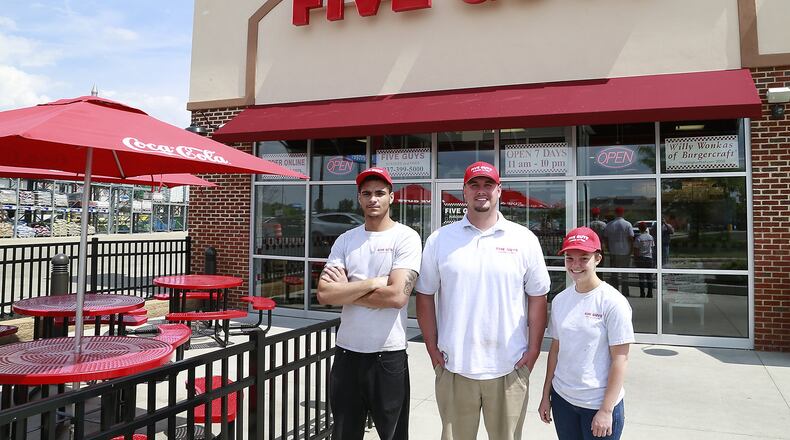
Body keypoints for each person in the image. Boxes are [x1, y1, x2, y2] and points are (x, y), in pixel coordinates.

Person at [415, 161, 551, 440]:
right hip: (454, 367)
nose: (481, 191)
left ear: (499, 191)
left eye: (488, 185)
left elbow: (538, 297)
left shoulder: (523, 239)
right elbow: (425, 295)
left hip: (509, 368)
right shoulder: (440, 240)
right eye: (474, 185)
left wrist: (534, 350)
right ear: (464, 192)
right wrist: (432, 349)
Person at [317, 167, 422, 440]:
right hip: (347, 354)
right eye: (366, 193)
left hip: (388, 356)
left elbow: (397, 297)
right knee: (344, 433)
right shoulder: (346, 240)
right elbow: (325, 295)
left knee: (393, 435)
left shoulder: (406, 237)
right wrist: (374, 282)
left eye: (379, 193)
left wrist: (346, 289)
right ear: (359, 199)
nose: (373, 199)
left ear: (391, 197)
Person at [538, 226, 635, 440]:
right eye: (569, 259)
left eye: (584, 258)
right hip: (563, 400)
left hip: (597, 405)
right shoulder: (561, 300)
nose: (575, 265)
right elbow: (555, 350)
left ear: (597, 258)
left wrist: (606, 410)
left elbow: (621, 358)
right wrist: (546, 394)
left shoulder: (613, 302)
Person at [602, 207, 633, 296]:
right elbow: (631, 238)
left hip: (613, 251)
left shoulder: (609, 225)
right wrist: (631, 250)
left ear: (615, 213)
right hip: (625, 252)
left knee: (614, 274)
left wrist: (608, 248)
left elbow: (606, 238)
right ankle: (625, 292)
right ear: (623, 213)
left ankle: (615, 293)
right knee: (625, 275)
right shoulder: (627, 224)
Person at [632, 221, 654, 298]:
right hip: (649, 257)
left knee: (641, 277)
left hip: (641, 258)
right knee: (649, 276)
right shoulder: (650, 237)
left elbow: (636, 250)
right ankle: (650, 293)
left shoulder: (639, 238)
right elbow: (652, 247)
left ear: (639, 228)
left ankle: (642, 293)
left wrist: (635, 259)